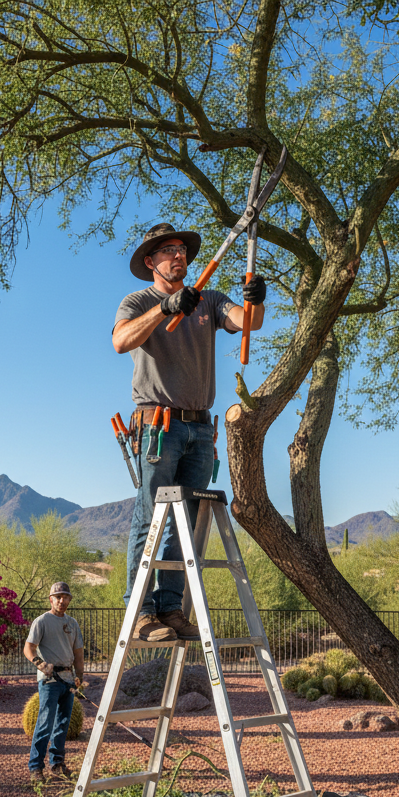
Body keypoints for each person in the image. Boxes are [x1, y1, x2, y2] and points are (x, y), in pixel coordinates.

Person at [113, 222, 267, 641]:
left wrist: (257, 301)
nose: (177, 255)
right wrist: (165, 309)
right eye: (167, 251)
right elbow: (122, 341)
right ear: (151, 262)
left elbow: (246, 321)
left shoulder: (208, 300)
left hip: (200, 431)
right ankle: (141, 612)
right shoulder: (138, 300)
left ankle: (170, 609)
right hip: (158, 427)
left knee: (187, 524)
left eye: (181, 249)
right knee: (149, 518)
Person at [23, 581, 85, 783]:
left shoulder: (73, 623)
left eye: (65, 597)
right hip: (49, 680)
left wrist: (80, 677)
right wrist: (39, 663)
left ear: (69, 600)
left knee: (63, 725)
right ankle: (35, 768)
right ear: (51, 599)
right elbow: (28, 648)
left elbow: (78, 653)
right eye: (58, 597)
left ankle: (57, 764)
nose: (62, 600)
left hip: (68, 680)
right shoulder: (41, 621)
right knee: (44, 723)